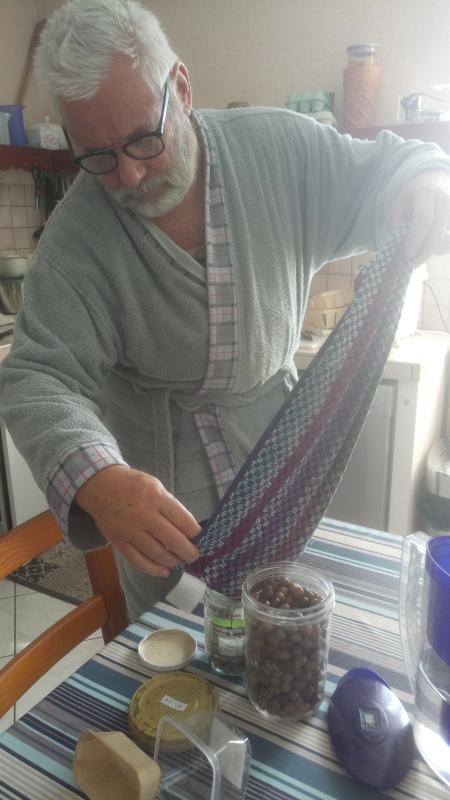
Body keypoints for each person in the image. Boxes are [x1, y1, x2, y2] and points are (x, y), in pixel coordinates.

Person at [1, 0, 450, 621]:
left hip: (284, 474)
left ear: (181, 89)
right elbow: (35, 377)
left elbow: (393, 167)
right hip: (163, 513)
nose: (128, 175)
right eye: (97, 157)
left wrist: (426, 181)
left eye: (143, 139)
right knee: (180, 663)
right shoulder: (77, 236)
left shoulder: (277, 149)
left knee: (289, 633)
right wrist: (98, 479)